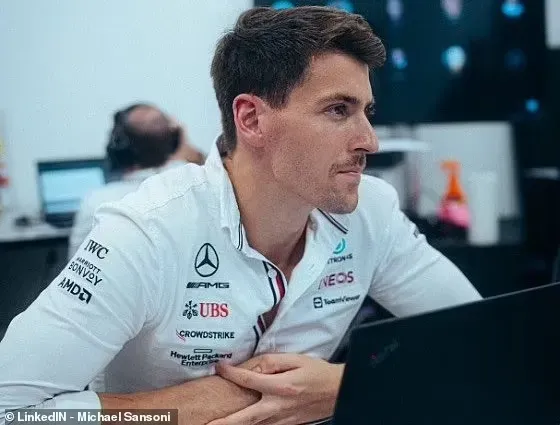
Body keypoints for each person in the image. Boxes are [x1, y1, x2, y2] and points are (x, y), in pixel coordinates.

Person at [0, 6, 481, 425]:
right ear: (251, 119)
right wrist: (193, 405)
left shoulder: (371, 212)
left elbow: (481, 340)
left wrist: (344, 385)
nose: (369, 141)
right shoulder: (148, 231)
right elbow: (12, 409)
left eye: (366, 113)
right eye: (338, 110)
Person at [67, 103, 205, 258]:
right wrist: (180, 139)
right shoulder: (190, 187)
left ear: (118, 150)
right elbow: (196, 160)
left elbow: (76, 265)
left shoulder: (96, 202)